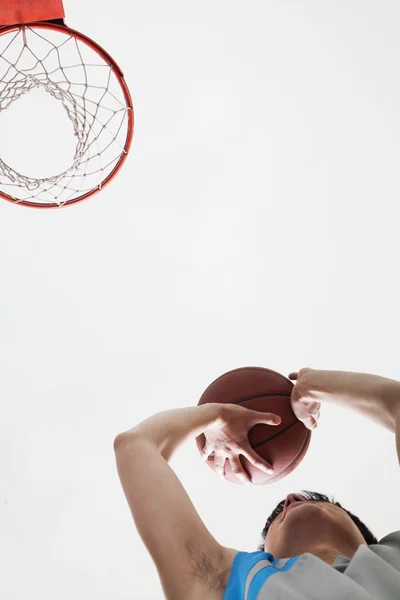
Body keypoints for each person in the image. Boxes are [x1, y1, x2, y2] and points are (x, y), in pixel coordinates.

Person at [114, 368, 400, 600]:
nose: (290, 498)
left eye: (318, 499)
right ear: (265, 556)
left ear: (366, 535)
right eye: (275, 518)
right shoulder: (223, 583)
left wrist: (311, 385)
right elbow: (135, 446)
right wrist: (214, 416)